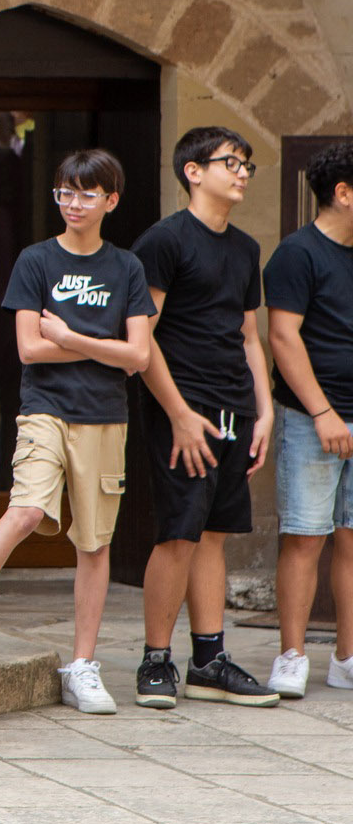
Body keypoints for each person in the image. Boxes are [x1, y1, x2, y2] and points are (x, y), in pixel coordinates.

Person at [0, 150, 152, 714]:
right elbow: (29, 347)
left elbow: (140, 356)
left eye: (86, 194)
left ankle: (82, 665)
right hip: (45, 408)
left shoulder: (127, 268)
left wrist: (70, 337)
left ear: (111, 200)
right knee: (23, 511)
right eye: (65, 192)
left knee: (94, 542)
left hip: (105, 417)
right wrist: (104, 348)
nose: (73, 204)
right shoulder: (36, 260)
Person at [129, 127, 279, 710]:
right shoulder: (164, 241)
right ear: (193, 171)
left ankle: (209, 662)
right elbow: (143, 339)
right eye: (230, 163)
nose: (241, 173)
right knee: (179, 531)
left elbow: (248, 336)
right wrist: (179, 414)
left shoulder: (245, 248)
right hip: (183, 407)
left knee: (213, 533)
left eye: (246, 165)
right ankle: (155, 660)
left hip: (235, 408)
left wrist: (264, 410)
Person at [264, 141, 353, 697]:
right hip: (311, 418)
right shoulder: (297, 254)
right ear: (344, 193)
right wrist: (323, 412)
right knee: (304, 538)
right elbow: (281, 336)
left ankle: (347, 657)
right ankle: (291, 656)